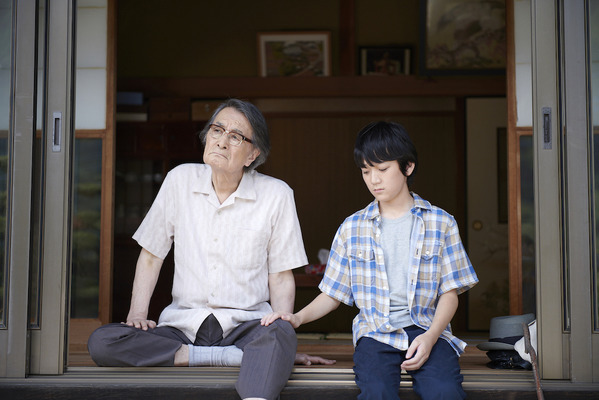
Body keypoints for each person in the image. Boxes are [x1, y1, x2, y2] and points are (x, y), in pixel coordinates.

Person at [88, 99, 333, 400]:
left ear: (253, 154)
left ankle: (256, 367)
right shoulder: (180, 180)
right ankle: (232, 358)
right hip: (182, 328)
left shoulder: (276, 194)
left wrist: (283, 342)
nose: (222, 141)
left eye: (236, 136)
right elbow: (152, 255)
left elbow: (281, 277)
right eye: (217, 130)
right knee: (104, 341)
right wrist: (137, 314)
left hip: (246, 327)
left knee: (281, 332)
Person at [262, 121, 479, 399]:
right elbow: (333, 293)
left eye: (382, 169)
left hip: (428, 329)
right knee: (376, 393)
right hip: (375, 334)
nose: (373, 180)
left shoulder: (441, 223)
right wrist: (297, 317)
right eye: (366, 171)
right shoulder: (352, 228)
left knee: (445, 392)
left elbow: (449, 293)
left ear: (408, 167)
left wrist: (431, 336)